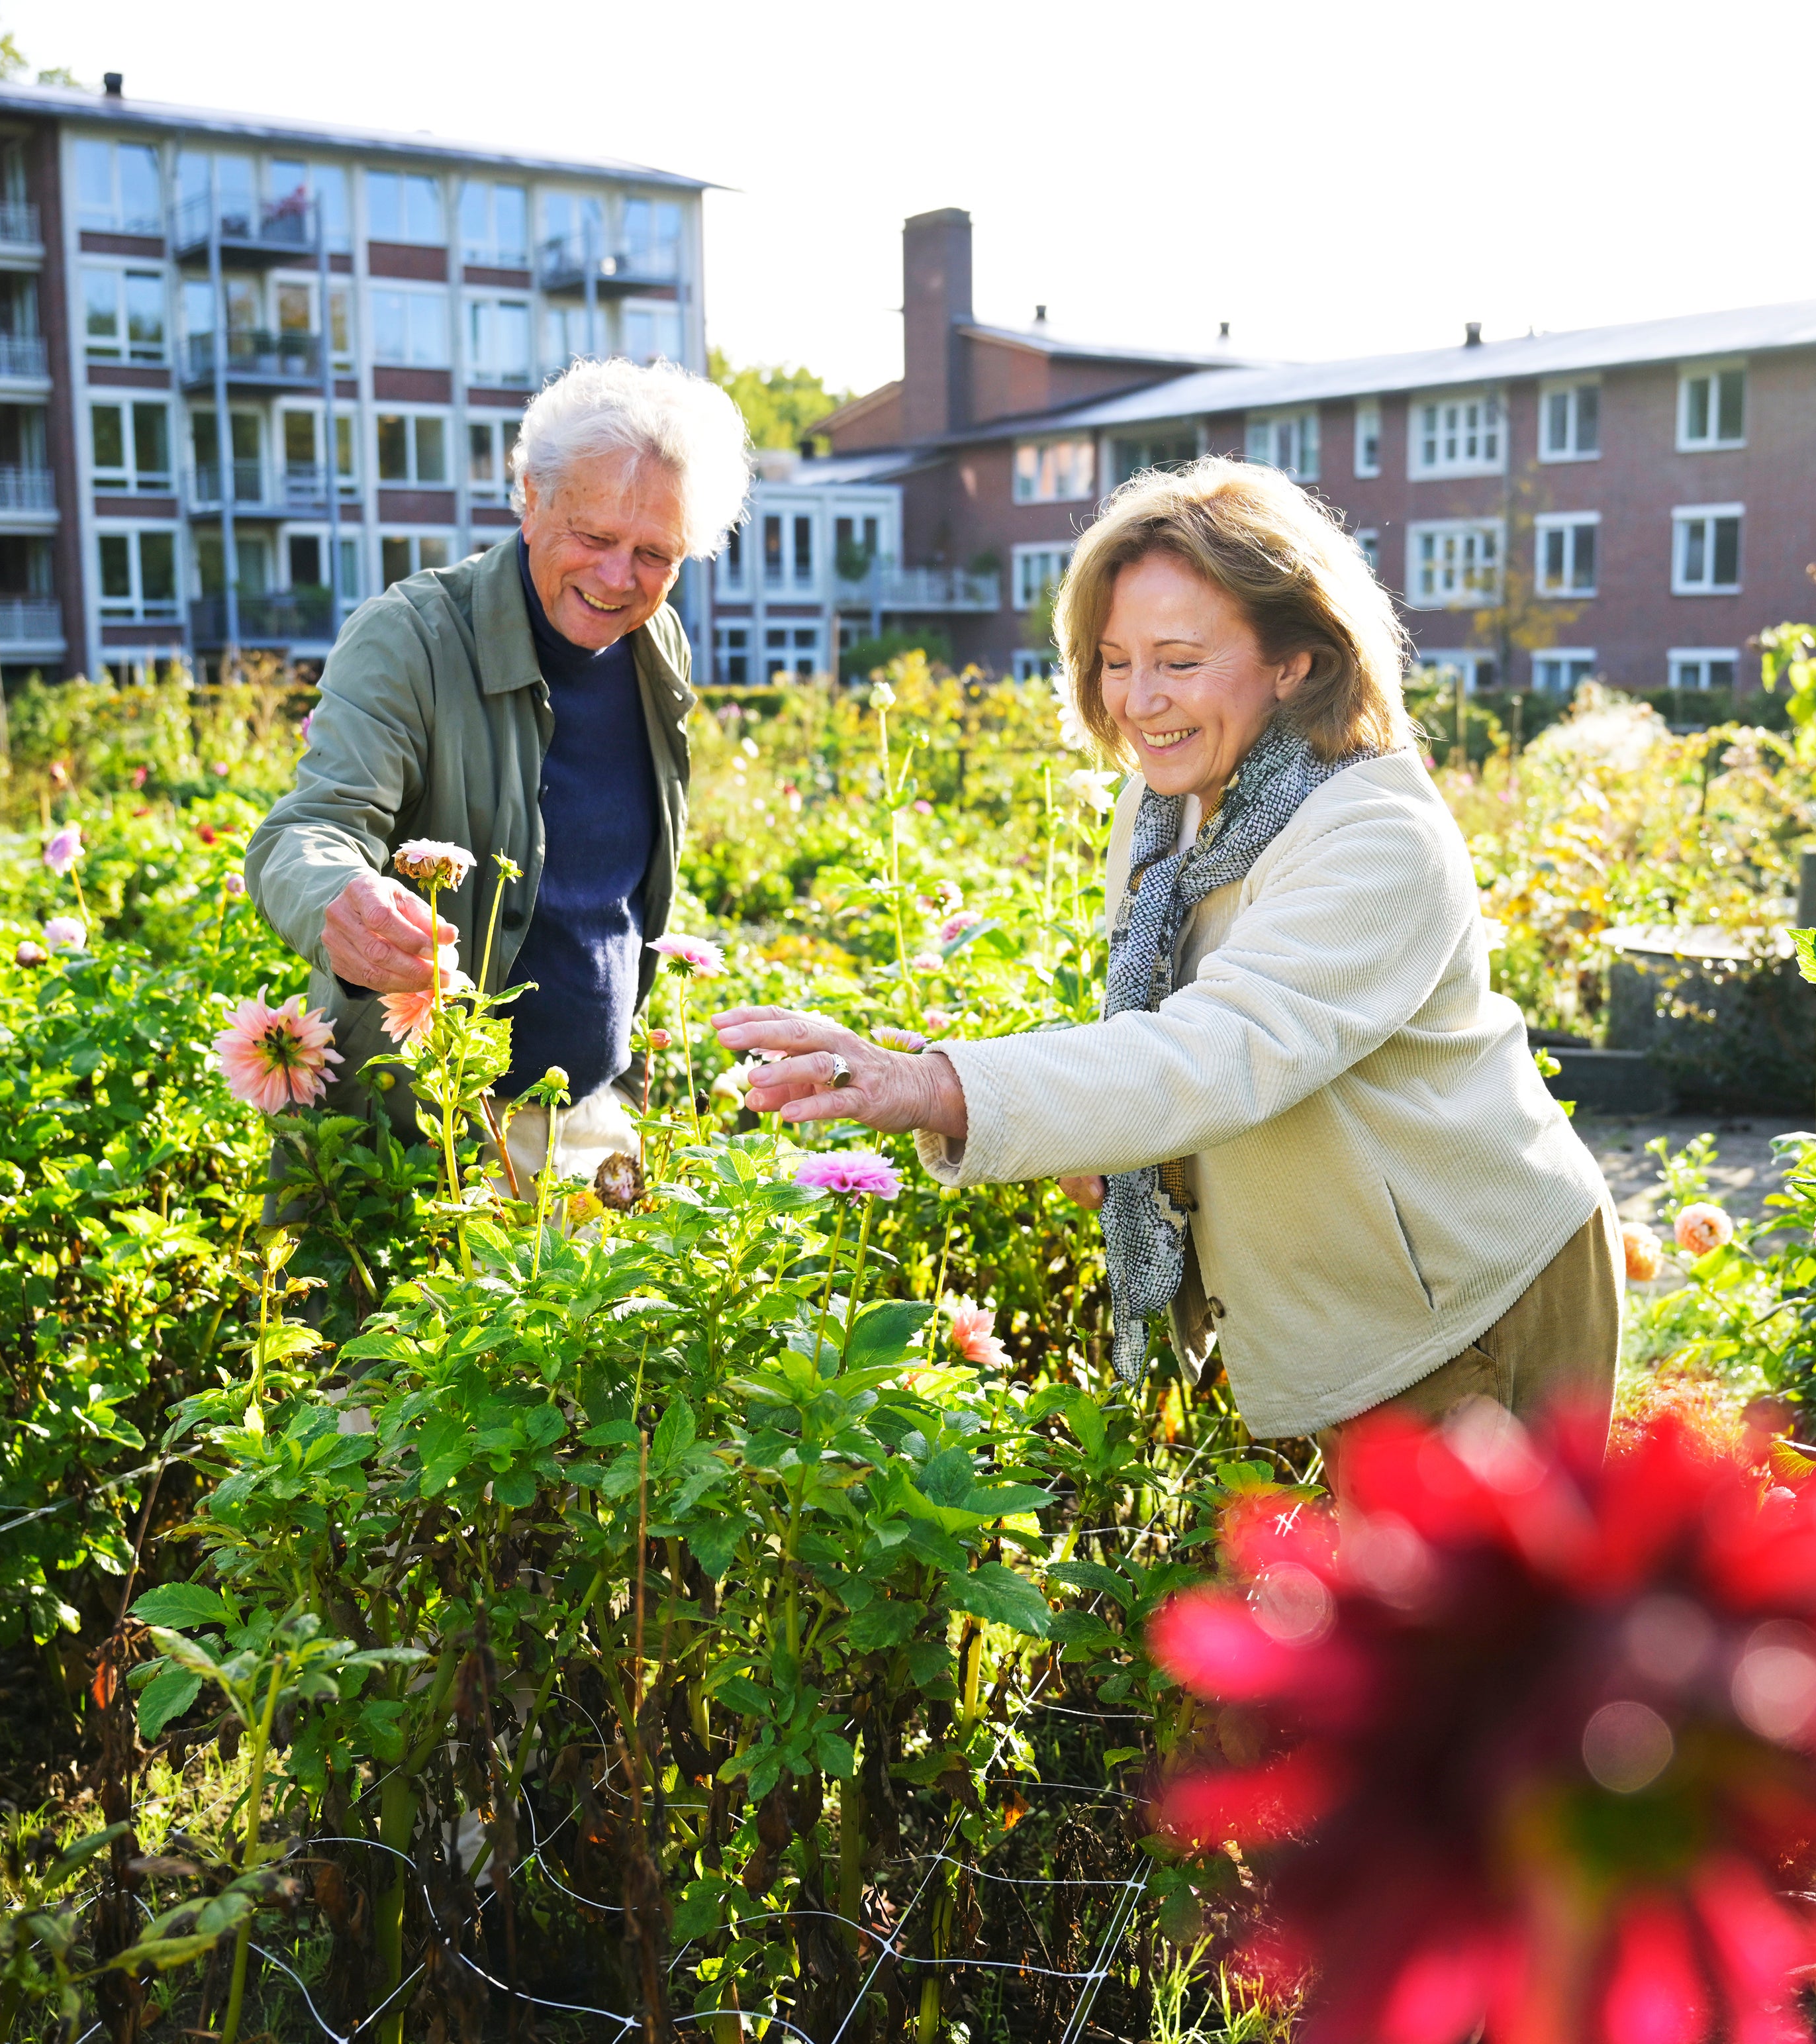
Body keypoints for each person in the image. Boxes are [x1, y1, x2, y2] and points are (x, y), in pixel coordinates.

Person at [712, 456, 1621, 1441]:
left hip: (1464, 1303)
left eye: (1179, 662)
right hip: (1347, 1297)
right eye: (1115, 660)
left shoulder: (1375, 834)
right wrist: (1096, 1133)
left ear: (1296, 660)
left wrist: (932, 1085)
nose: (1138, 701)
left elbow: (1221, 1050)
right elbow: (1161, 1036)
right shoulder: (1165, 812)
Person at [245, 356, 749, 1183]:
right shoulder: (410, 637)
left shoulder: (657, 646)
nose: (617, 578)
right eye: (593, 537)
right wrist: (340, 895)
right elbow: (309, 828)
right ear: (529, 496)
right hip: (435, 1131)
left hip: (598, 1116)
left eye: (655, 553)